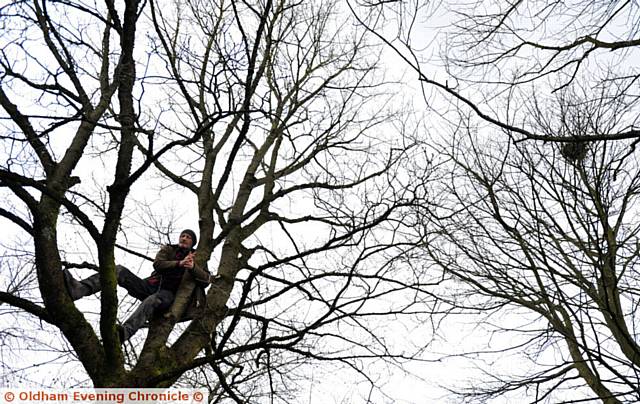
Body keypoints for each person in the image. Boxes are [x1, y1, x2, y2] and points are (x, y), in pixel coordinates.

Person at [63, 229, 210, 342]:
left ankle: (124, 332)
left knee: (152, 300)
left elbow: (206, 281)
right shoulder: (168, 249)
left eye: (188, 237)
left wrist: (192, 267)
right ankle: (80, 289)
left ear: (193, 242)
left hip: (169, 296)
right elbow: (158, 264)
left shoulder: (198, 258)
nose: (184, 238)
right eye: (182, 236)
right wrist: (179, 263)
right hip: (150, 286)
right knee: (119, 270)